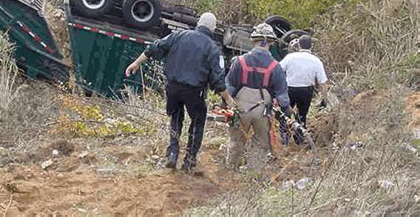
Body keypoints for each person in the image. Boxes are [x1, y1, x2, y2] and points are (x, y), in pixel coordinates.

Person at [125, 12, 235, 172]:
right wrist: (229, 100)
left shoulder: (178, 35)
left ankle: (172, 154)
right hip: (194, 91)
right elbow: (218, 80)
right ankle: (189, 161)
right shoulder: (212, 48)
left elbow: (154, 47)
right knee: (197, 122)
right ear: (214, 28)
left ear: (198, 23)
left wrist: (136, 63)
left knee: (176, 118)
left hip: (172, 87)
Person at [225, 23, 291, 173]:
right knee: (261, 143)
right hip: (262, 112)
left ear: (254, 40)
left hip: (240, 109)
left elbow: (229, 86)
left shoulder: (240, 61)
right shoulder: (275, 66)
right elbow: (281, 94)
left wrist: (225, 104)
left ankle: (230, 172)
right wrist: (286, 110)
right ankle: (253, 173)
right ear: (271, 43)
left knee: (236, 141)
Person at [279, 35, 328, 133]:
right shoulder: (316, 60)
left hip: (290, 90)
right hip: (306, 91)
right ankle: (299, 137)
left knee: (285, 114)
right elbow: (323, 82)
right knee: (302, 115)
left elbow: (278, 70)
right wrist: (324, 98)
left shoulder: (290, 57)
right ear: (311, 46)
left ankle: (284, 137)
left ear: (299, 45)